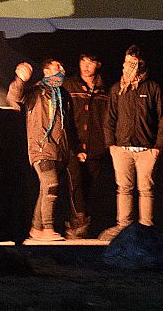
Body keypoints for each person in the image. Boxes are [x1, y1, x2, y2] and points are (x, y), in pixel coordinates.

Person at [101, 45, 163, 240]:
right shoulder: (118, 89)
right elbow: (110, 118)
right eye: (126, 62)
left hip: (146, 148)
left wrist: (158, 146)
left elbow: (162, 118)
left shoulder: (153, 88)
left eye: (133, 63)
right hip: (122, 148)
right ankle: (124, 228)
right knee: (123, 188)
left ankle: (146, 228)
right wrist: (111, 145)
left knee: (146, 189)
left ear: (141, 64)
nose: (128, 66)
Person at [7, 58, 77, 241]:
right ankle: (47, 227)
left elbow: (68, 125)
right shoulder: (37, 92)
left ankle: (36, 228)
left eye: (62, 66)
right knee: (51, 185)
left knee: (46, 189)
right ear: (46, 71)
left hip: (59, 150)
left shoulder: (63, 95)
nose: (61, 69)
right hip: (41, 148)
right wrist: (20, 79)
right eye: (57, 67)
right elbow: (15, 97)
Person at [62, 52, 110, 239]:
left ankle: (84, 225)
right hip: (74, 143)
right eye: (83, 61)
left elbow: (108, 118)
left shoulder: (104, 89)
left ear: (98, 64)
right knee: (76, 183)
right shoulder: (70, 85)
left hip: (96, 145)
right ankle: (77, 224)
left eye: (91, 62)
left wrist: (107, 142)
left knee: (90, 185)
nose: (86, 66)